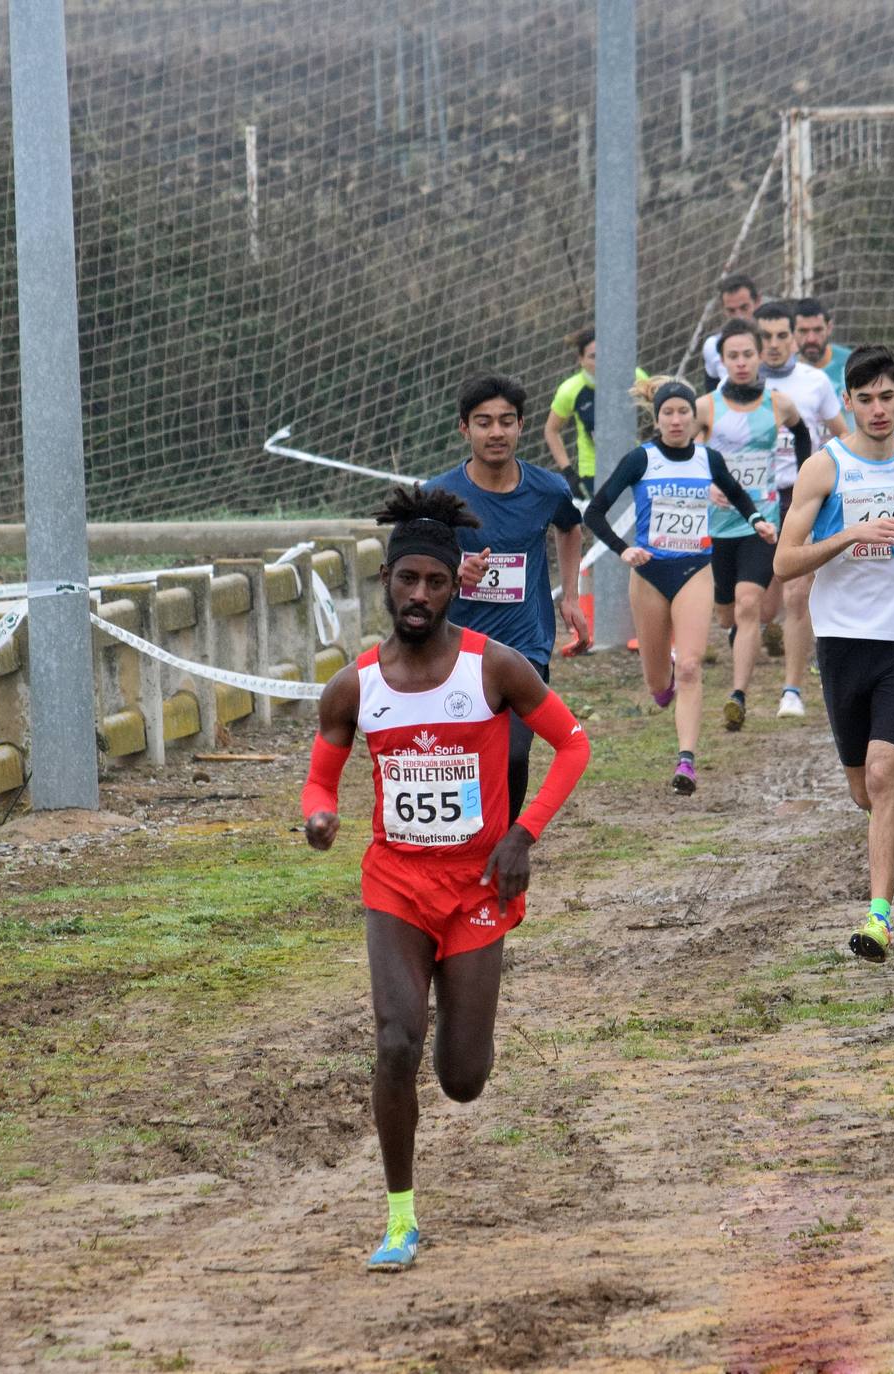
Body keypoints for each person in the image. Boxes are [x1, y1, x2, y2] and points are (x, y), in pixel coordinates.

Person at [301, 484, 591, 1272]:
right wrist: (320, 815)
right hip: (395, 883)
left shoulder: (493, 668)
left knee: (462, 1078)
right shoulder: (355, 685)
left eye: (434, 581)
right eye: (406, 580)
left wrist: (522, 835)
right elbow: (321, 775)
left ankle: (458, 1020)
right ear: (387, 583)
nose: (419, 595)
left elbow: (572, 746)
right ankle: (400, 1218)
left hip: (476, 889)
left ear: (455, 586)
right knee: (395, 1041)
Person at [774, 345, 894, 962]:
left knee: (882, 773)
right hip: (843, 643)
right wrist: (852, 533)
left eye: (888, 396)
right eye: (865, 399)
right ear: (847, 403)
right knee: (863, 790)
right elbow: (785, 561)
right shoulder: (825, 469)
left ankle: (879, 919)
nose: (878, 409)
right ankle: (889, 826)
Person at [584, 378, 772, 793]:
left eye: (683, 412)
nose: (675, 420)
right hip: (650, 572)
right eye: (667, 413)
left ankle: (686, 760)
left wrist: (757, 521)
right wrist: (623, 550)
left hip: (694, 571)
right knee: (658, 681)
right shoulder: (641, 459)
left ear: (694, 417)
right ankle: (661, 684)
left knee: (689, 665)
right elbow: (594, 512)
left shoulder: (709, 459)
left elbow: (740, 495)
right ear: (657, 417)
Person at [425, 373, 589, 821]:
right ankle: (467, 835)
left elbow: (570, 528)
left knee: (514, 754)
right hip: (454, 649)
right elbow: (410, 564)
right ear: (464, 429)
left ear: (520, 425)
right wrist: (453, 572)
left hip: (525, 647)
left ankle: (503, 842)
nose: (495, 432)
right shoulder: (438, 495)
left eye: (505, 421)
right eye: (483, 422)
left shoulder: (548, 489)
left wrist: (571, 595)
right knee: (461, 755)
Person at [697, 320, 810, 731]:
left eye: (748, 354)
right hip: (718, 525)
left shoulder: (779, 403)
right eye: (733, 356)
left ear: (759, 356)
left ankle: (737, 696)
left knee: (749, 606)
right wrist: (706, 485)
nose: (742, 363)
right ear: (722, 361)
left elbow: (801, 435)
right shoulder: (705, 407)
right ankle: (737, 641)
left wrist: (800, 483)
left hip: (761, 523)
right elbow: (683, 454)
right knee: (727, 614)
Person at [753, 301, 849, 718]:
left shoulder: (814, 383)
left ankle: (791, 689)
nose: (773, 345)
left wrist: (831, 469)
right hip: (752, 499)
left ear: (794, 337)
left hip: (800, 495)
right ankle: (763, 627)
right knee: (750, 606)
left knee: (797, 593)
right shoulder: (735, 383)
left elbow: (843, 434)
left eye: (781, 336)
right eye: (765, 337)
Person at [544, 328, 648, 498]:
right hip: (594, 473)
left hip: (634, 467)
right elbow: (551, 430)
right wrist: (568, 472)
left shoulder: (634, 376)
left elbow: (661, 407)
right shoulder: (570, 390)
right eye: (593, 357)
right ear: (581, 360)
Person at [701, 273, 762, 388]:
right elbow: (712, 393)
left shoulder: (774, 340)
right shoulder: (712, 346)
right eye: (731, 310)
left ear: (758, 301)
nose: (739, 316)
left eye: (744, 308)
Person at [794, 296, 853, 394]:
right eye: (803, 331)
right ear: (792, 331)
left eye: (818, 330)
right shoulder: (784, 369)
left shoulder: (852, 363)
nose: (811, 339)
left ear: (829, 328)